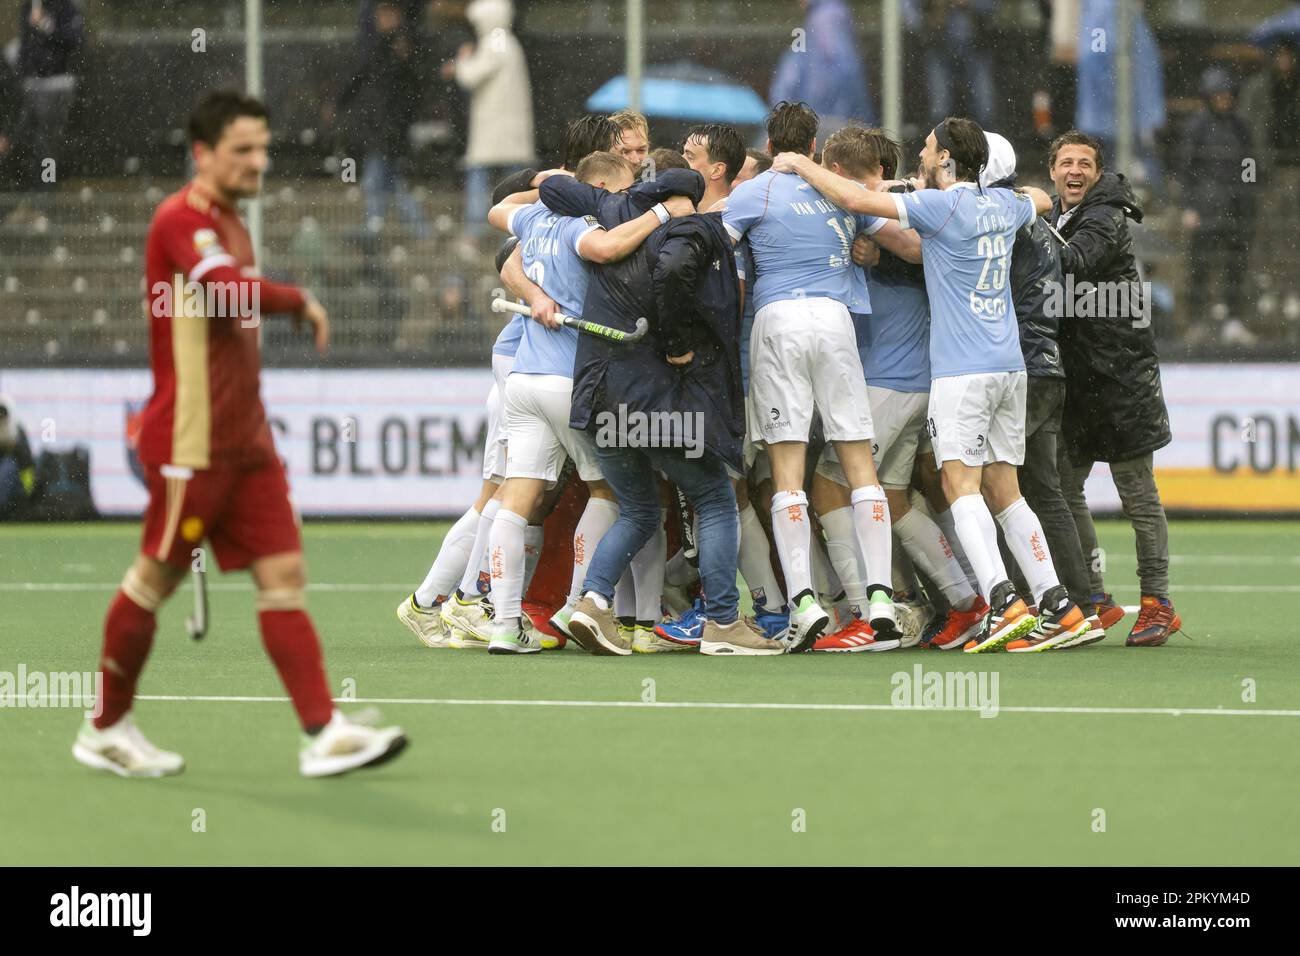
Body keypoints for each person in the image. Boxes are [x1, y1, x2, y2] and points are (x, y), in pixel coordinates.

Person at [73, 91, 407, 778]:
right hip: (189, 445)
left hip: (247, 442)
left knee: (284, 575)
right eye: (243, 150)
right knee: (153, 581)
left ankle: (325, 733)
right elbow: (225, 291)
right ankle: (105, 728)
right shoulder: (180, 220)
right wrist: (298, 300)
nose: (260, 161)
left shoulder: (231, 222)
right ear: (203, 153)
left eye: (264, 147)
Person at [774, 116, 1091, 653]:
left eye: (927, 148)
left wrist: (800, 162)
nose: (921, 153)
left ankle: (1002, 601)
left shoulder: (941, 208)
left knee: (958, 485)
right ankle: (1057, 603)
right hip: (1010, 368)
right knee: (1005, 490)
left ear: (945, 158)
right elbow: (1039, 196)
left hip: (962, 372)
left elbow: (855, 201)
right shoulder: (1005, 205)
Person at [539, 150, 786, 657]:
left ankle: (591, 601)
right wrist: (676, 344)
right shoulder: (688, 227)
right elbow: (673, 270)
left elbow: (549, 186)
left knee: (638, 510)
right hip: (655, 395)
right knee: (715, 497)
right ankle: (721, 623)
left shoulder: (613, 210)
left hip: (599, 392)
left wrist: (631, 199)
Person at [724, 102, 920, 651]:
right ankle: (880, 595)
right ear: (815, 143)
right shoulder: (840, 188)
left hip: (778, 320)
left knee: (786, 469)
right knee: (859, 462)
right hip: (836, 323)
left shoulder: (753, 193)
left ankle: (805, 603)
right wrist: (871, 250)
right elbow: (912, 244)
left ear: (770, 140)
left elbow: (711, 246)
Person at [481, 152, 689, 654]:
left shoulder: (532, 217)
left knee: (516, 499)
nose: (617, 201)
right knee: (612, 495)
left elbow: (497, 211)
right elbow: (607, 246)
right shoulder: (583, 224)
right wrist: (663, 213)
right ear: (596, 187)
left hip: (525, 380)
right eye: (614, 192)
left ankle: (505, 625)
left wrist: (532, 289)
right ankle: (579, 605)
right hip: (569, 382)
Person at [806, 126, 984, 653]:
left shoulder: (891, 207)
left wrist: (878, 242)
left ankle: (868, 615)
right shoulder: (910, 203)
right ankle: (966, 603)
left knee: (830, 486)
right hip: (912, 378)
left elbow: (917, 250)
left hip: (891, 379)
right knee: (892, 495)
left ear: (837, 171)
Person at [1046, 130, 1179, 647]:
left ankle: (1157, 603)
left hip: (1122, 382)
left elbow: (1071, 261)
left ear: (1097, 174)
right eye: (1066, 163)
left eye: (1084, 163)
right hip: (1079, 384)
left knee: (1137, 497)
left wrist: (1016, 222)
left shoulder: (1104, 217)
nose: (1075, 171)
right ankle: (1094, 598)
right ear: (1053, 171)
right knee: (1062, 489)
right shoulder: (1057, 218)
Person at [980, 131, 1101, 646]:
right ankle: (1081, 602)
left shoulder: (1003, 221)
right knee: (1044, 490)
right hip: (1048, 365)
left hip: (1022, 366)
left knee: (1004, 489)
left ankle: (1033, 604)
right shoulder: (1037, 220)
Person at [337, 1, 429, 237]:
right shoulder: (381, 47)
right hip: (382, 129)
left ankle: (374, 228)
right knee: (391, 184)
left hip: (387, 130)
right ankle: (419, 230)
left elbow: (404, 89)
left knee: (376, 182)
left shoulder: (400, 46)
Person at [1180, 68, 1258, 346]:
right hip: (1206, 208)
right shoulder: (1197, 127)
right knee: (1200, 266)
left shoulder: (1240, 127)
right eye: (1218, 95)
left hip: (1236, 207)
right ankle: (1197, 322)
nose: (1223, 100)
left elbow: (1250, 164)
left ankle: (1233, 321)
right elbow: (1186, 169)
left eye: (1227, 95)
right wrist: (1189, 207)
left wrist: (1247, 194)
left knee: (1235, 266)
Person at [450, 0, 535, 241]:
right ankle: (513, 231)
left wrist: (462, 61)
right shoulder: (510, 42)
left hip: (494, 127)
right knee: (516, 181)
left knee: (479, 172)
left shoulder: (495, 42)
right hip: (510, 130)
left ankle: (474, 232)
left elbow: (471, 76)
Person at [769, 0, 873, 135]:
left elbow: (836, 60)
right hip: (832, 114)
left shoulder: (825, 15)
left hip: (825, 115)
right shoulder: (829, 13)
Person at [14, 0, 83, 195]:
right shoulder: (29, 6)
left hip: (56, 84)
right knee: (24, 140)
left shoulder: (67, 8)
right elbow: (25, 43)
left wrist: (45, 25)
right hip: (30, 83)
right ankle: (27, 190)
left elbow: (73, 39)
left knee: (48, 144)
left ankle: (46, 190)